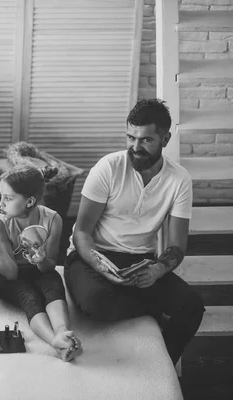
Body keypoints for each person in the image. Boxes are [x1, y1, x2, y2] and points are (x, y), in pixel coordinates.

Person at [64, 99, 205, 366]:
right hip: (91, 255)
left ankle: (160, 368)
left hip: (139, 261)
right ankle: (153, 312)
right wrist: (99, 264)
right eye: (131, 137)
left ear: (165, 138)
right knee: (97, 302)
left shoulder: (179, 179)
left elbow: (177, 245)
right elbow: (82, 231)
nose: (135, 147)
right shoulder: (108, 167)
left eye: (146, 140)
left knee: (192, 307)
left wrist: (157, 270)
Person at [0, 164, 83, 362]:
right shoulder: (1, 224)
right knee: (29, 296)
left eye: (8, 198)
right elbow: (11, 275)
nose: (1, 204)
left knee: (53, 283)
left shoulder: (53, 220)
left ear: (30, 201)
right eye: (1, 196)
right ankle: (54, 341)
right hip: (5, 272)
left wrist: (41, 261)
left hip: (36, 269)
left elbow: (49, 266)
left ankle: (63, 331)